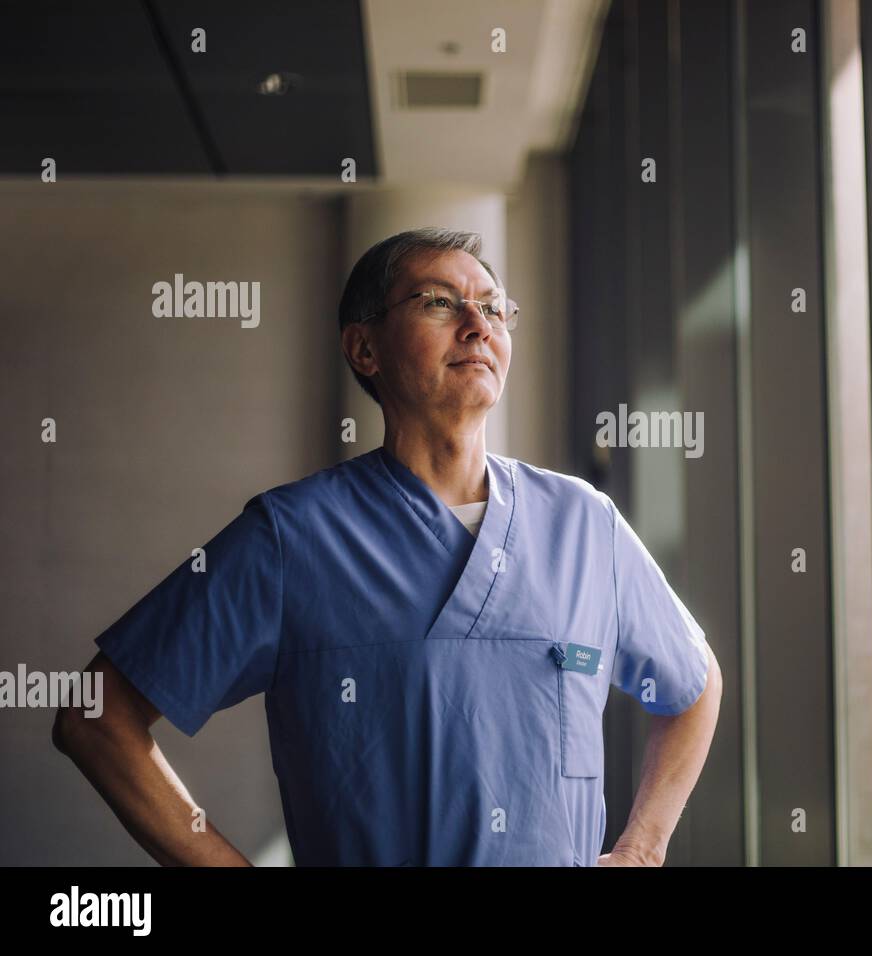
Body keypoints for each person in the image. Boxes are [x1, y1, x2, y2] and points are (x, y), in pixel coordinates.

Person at [53, 227, 722, 867]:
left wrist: (642, 847)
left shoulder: (585, 527)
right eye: (438, 302)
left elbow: (692, 683)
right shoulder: (293, 537)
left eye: (493, 307)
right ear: (364, 349)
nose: (478, 324)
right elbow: (97, 716)